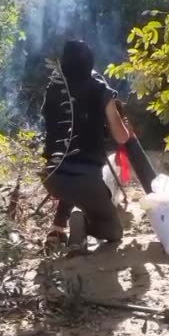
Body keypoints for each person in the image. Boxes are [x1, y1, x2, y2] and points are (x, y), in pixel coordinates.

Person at [41, 39, 132, 253]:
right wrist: (123, 126)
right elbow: (120, 137)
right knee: (113, 232)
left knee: (71, 181)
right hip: (86, 177)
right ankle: (79, 226)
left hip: (52, 176)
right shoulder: (100, 89)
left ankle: (58, 228)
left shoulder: (54, 88)